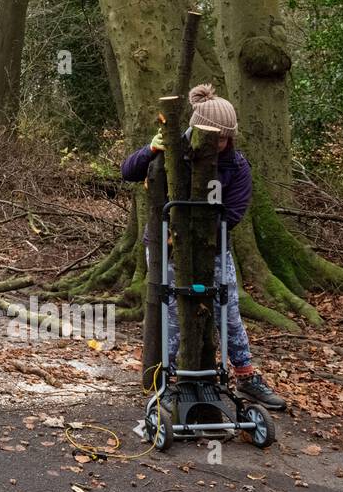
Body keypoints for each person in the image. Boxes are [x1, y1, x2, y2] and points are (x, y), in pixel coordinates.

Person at [122, 84, 286, 410]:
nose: (219, 143)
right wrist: (150, 151)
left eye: (225, 138)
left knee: (230, 310)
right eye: (214, 136)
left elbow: (234, 214)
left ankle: (246, 375)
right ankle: (165, 381)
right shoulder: (173, 151)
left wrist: (204, 235)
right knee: (172, 312)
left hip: (213, 247)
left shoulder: (236, 167)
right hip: (166, 245)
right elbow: (129, 171)